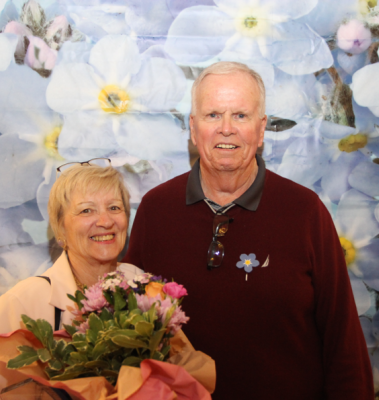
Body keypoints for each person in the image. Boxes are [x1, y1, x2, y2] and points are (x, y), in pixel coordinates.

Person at [124, 62, 374, 399]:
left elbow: (342, 340)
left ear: (260, 130)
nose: (226, 128)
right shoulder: (156, 210)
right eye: (213, 115)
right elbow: (127, 336)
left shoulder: (305, 212)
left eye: (240, 116)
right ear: (194, 129)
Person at [0, 159, 143, 399]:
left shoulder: (139, 282)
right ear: (60, 229)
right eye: (87, 210)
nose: (106, 221)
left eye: (115, 208)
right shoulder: (21, 304)